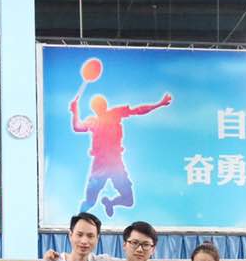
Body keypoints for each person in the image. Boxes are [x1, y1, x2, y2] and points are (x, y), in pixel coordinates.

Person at [70, 88, 172, 217]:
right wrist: (75, 111)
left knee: (128, 201)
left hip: (115, 165)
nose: (101, 107)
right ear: (95, 109)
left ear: (105, 105)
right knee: (90, 201)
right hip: (100, 167)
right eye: (98, 105)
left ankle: (110, 203)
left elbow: (138, 110)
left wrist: (159, 104)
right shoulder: (93, 121)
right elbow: (77, 127)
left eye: (102, 104)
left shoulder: (114, 114)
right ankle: (77, 220)